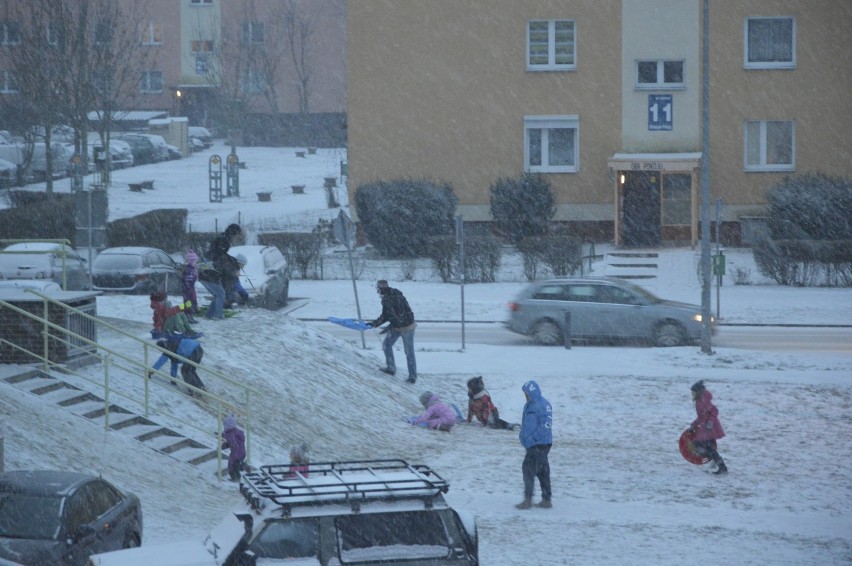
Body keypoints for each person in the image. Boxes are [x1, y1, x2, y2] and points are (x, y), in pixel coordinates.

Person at [368, 280, 417, 383]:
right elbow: (388, 315)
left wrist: (377, 324)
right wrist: (374, 324)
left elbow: (389, 315)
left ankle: (412, 376)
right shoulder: (390, 296)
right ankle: (391, 368)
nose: (377, 292)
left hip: (407, 327)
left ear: (382, 289)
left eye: (378, 289)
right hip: (397, 327)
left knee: (409, 352)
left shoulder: (392, 298)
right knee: (387, 344)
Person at [517, 380, 552, 509]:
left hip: (539, 444)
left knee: (528, 469)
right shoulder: (530, 405)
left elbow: (545, 426)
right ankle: (546, 499)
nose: (525, 395)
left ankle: (528, 500)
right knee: (542, 470)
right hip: (535, 444)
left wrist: (532, 439)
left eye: (526, 393)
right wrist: (523, 437)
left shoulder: (541, 405)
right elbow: (526, 423)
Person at [201, 223, 242, 320]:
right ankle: (218, 315)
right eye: (237, 235)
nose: (237, 238)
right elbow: (221, 258)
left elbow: (220, 257)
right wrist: (233, 267)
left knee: (218, 294)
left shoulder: (222, 239)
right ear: (233, 234)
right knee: (220, 294)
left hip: (206, 272)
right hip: (209, 273)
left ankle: (209, 315)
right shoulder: (224, 241)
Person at [689, 380, 727, 475]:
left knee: (698, 444)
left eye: (693, 392)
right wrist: (693, 424)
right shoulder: (699, 401)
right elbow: (702, 417)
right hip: (705, 427)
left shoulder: (703, 401)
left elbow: (715, 411)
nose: (692, 394)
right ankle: (718, 463)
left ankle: (718, 463)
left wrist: (710, 423)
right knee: (707, 447)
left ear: (698, 392)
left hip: (710, 428)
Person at [221, 414, 247, 481]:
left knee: (231, 466)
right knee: (236, 465)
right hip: (242, 452)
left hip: (235, 453)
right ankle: (242, 467)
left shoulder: (229, 434)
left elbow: (231, 443)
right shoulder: (237, 431)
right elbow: (232, 442)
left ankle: (235, 477)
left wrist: (222, 446)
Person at [181, 249, 200, 323]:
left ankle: (188, 315)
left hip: (190, 288)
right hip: (188, 289)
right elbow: (186, 279)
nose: (195, 262)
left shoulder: (192, 268)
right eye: (194, 260)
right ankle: (187, 316)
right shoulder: (188, 269)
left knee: (190, 302)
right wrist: (188, 288)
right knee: (188, 303)